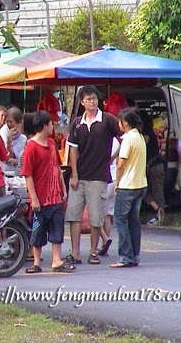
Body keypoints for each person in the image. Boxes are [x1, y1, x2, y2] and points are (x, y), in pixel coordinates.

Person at [64, 85, 121, 265]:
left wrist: (111, 158)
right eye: (88, 99)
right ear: (82, 102)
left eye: (94, 98)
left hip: (99, 176)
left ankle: (93, 252)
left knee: (96, 217)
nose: (92, 102)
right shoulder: (78, 123)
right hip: (79, 176)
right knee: (74, 215)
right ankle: (75, 253)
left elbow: (123, 139)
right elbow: (72, 150)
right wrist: (74, 174)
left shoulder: (108, 120)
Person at [21, 111, 74, 274]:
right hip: (41, 197)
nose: (53, 126)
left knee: (57, 228)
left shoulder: (51, 143)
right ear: (44, 126)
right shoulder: (31, 147)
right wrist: (34, 198)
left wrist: (63, 188)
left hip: (55, 196)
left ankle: (56, 260)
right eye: (51, 124)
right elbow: (28, 174)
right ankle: (37, 261)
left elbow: (57, 167)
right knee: (38, 229)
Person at [111, 108, 147, 268]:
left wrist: (117, 183)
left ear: (125, 122)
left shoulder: (128, 138)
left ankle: (126, 256)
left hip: (127, 185)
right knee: (133, 221)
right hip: (141, 183)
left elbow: (120, 164)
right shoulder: (139, 136)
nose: (118, 124)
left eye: (119, 121)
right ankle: (135, 255)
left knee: (119, 220)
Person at [140, 110, 166, 226]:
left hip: (153, 166)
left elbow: (143, 144)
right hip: (152, 165)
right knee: (146, 191)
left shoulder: (146, 131)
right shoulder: (147, 130)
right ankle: (158, 210)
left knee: (155, 191)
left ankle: (161, 215)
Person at [97, 137, 120, 257]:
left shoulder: (104, 140)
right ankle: (103, 244)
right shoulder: (116, 141)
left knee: (95, 212)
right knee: (108, 214)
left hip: (105, 178)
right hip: (115, 178)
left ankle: (103, 240)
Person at [1, 107, 27, 173]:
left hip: (16, 173)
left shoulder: (23, 138)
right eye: (7, 122)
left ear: (18, 122)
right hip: (5, 171)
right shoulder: (4, 131)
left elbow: (13, 156)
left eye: (10, 122)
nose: (9, 125)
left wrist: (9, 140)